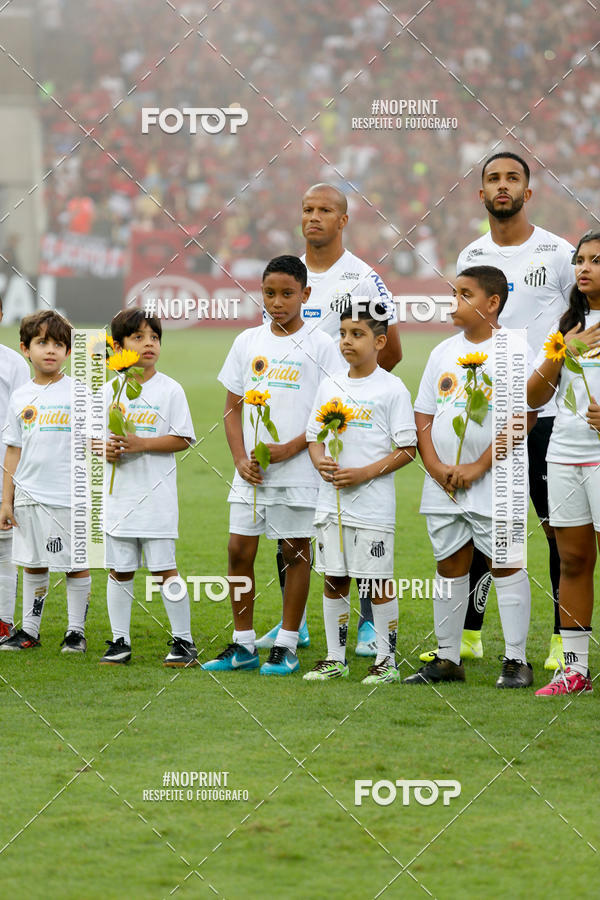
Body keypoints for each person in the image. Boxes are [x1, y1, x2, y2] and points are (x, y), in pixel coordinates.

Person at [422, 152, 574, 669]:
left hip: (547, 414)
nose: (502, 185)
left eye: (512, 178)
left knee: (555, 528)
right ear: (481, 193)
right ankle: (469, 636)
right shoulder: (473, 252)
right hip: (485, 416)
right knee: (476, 526)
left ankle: (561, 637)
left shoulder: (558, 252)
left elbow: (579, 317)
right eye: (493, 179)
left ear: (528, 193)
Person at [257, 183, 403, 657]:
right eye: (307, 209)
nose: (314, 217)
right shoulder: (288, 275)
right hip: (290, 424)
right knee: (293, 529)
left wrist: (353, 395)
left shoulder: (360, 278)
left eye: (324, 210)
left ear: (343, 220)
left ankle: (367, 625)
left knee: (356, 518)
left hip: (341, 425)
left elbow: (390, 351)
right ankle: (294, 625)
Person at [203, 255, 339, 676]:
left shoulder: (322, 345)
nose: (277, 302)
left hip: (299, 470)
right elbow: (232, 409)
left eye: (286, 294)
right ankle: (243, 644)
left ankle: (287, 644)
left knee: (294, 551)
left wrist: (292, 448)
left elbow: (333, 413)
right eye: (269, 293)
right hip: (252, 473)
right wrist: (239, 459)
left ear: (305, 294)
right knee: (238, 550)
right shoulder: (247, 341)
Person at [405, 266, 537, 688]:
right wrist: (433, 465)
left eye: (465, 294)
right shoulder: (442, 351)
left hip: (497, 480)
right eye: (453, 293)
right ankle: (447, 658)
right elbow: (424, 413)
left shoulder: (515, 349)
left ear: (492, 302)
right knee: (448, 563)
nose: (454, 302)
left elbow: (525, 417)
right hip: (443, 482)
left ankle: (516, 661)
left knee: (506, 563)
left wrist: (479, 465)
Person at [303, 301, 416, 683]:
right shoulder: (330, 384)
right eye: (342, 334)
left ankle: (387, 661)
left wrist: (363, 474)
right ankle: (335, 659)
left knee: (376, 581)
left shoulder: (392, 389)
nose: (347, 341)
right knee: (334, 578)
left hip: (372, 508)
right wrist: (320, 461)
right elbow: (314, 437)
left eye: (357, 334)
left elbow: (407, 449)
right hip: (330, 504)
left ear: (380, 341)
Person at [100, 309, 197, 667]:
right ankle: (119, 642)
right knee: (119, 570)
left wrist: (141, 444)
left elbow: (183, 438)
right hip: (118, 499)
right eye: (138, 337)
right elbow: (92, 440)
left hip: (157, 501)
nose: (149, 344)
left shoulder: (170, 389)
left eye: (154, 337)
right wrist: (106, 449)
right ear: (118, 347)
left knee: (164, 570)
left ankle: (184, 642)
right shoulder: (109, 390)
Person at [529, 230, 600, 695]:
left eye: (596, 260)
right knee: (572, 561)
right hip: (564, 454)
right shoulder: (567, 324)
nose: (584, 268)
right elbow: (534, 395)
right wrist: (562, 352)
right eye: (580, 260)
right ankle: (574, 672)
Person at [0, 310, 91, 653]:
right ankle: (30, 631)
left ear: (68, 351)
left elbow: (95, 446)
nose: (50, 350)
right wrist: (7, 500)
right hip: (28, 495)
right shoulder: (20, 396)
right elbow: (13, 450)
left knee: (75, 564)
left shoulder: (80, 393)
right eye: (42, 343)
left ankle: (75, 632)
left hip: (70, 496)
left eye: (58, 344)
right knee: (33, 562)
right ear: (26, 348)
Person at [0, 297, 30, 642]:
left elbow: (24, 422)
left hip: (4, 468)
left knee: (4, 548)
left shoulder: (13, 364)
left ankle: (4, 621)